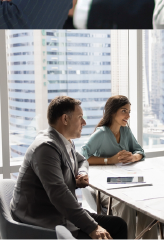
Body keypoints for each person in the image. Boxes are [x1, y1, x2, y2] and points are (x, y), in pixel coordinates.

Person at [10, 95, 127, 240]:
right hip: (46, 220)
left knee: (119, 225)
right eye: (80, 117)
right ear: (65, 119)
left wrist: (81, 173)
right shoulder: (46, 147)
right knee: (108, 231)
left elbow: (82, 160)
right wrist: (92, 227)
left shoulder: (64, 141)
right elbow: (59, 194)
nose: (84, 122)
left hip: (60, 213)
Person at [79, 95, 146, 240]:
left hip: (126, 181)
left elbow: (140, 151)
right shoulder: (101, 134)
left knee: (146, 199)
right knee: (125, 203)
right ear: (112, 112)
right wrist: (109, 160)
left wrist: (133, 157)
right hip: (105, 186)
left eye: (129, 111)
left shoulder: (126, 131)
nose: (128, 115)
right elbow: (82, 157)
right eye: (124, 111)